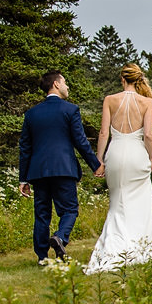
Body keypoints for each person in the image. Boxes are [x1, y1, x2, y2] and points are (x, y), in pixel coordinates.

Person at [18, 70, 103, 263]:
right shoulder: (70, 110)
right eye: (64, 82)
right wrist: (95, 164)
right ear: (56, 84)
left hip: (38, 172)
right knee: (69, 210)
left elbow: (25, 147)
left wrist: (23, 178)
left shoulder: (31, 114)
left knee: (42, 214)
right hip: (64, 169)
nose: (67, 86)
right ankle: (61, 237)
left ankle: (41, 257)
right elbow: (80, 142)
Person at [85, 64, 152, 273]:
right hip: (137, 155)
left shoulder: (110, 100)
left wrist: (99, 160)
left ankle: (115, 245)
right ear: (138, 80)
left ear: (122, 79)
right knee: (141, 202)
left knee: (118, 202)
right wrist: (150, 157)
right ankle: (141, 248)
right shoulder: (147, 102)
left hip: (116, 153)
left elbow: (103, 133)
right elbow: (148, 135)